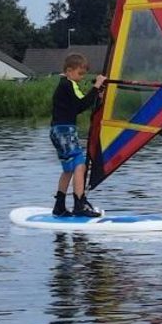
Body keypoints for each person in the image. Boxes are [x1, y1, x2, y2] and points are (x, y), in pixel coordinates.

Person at [51, 52, 107, 217]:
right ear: (69, 71)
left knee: (68, 169)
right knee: (80, 166)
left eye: (83, 74)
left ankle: (59, 206)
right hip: (65, 131)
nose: (81, 77)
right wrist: (96, 87)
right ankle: (79, 205)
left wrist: (98, 94)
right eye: (79, 73)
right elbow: (80, 105)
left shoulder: (66, 85)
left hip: (57, 130)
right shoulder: (68, 85)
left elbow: (83, 102)